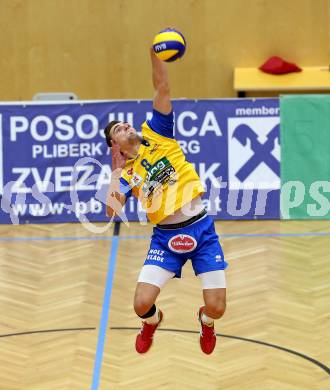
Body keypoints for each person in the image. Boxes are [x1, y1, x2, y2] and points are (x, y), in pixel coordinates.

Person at [104, 47, 227, 355]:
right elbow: (111, 210)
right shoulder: (127, 173)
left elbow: (163, 87)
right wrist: (115, 170)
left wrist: (155, 52)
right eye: (119, 130)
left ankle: (205, 321)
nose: (126, 127)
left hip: (201, 231)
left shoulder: (157, 132)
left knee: (218, 308)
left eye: (126, 124)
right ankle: (152, 322)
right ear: (114, 144)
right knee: (141, 304)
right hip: (165, 239)